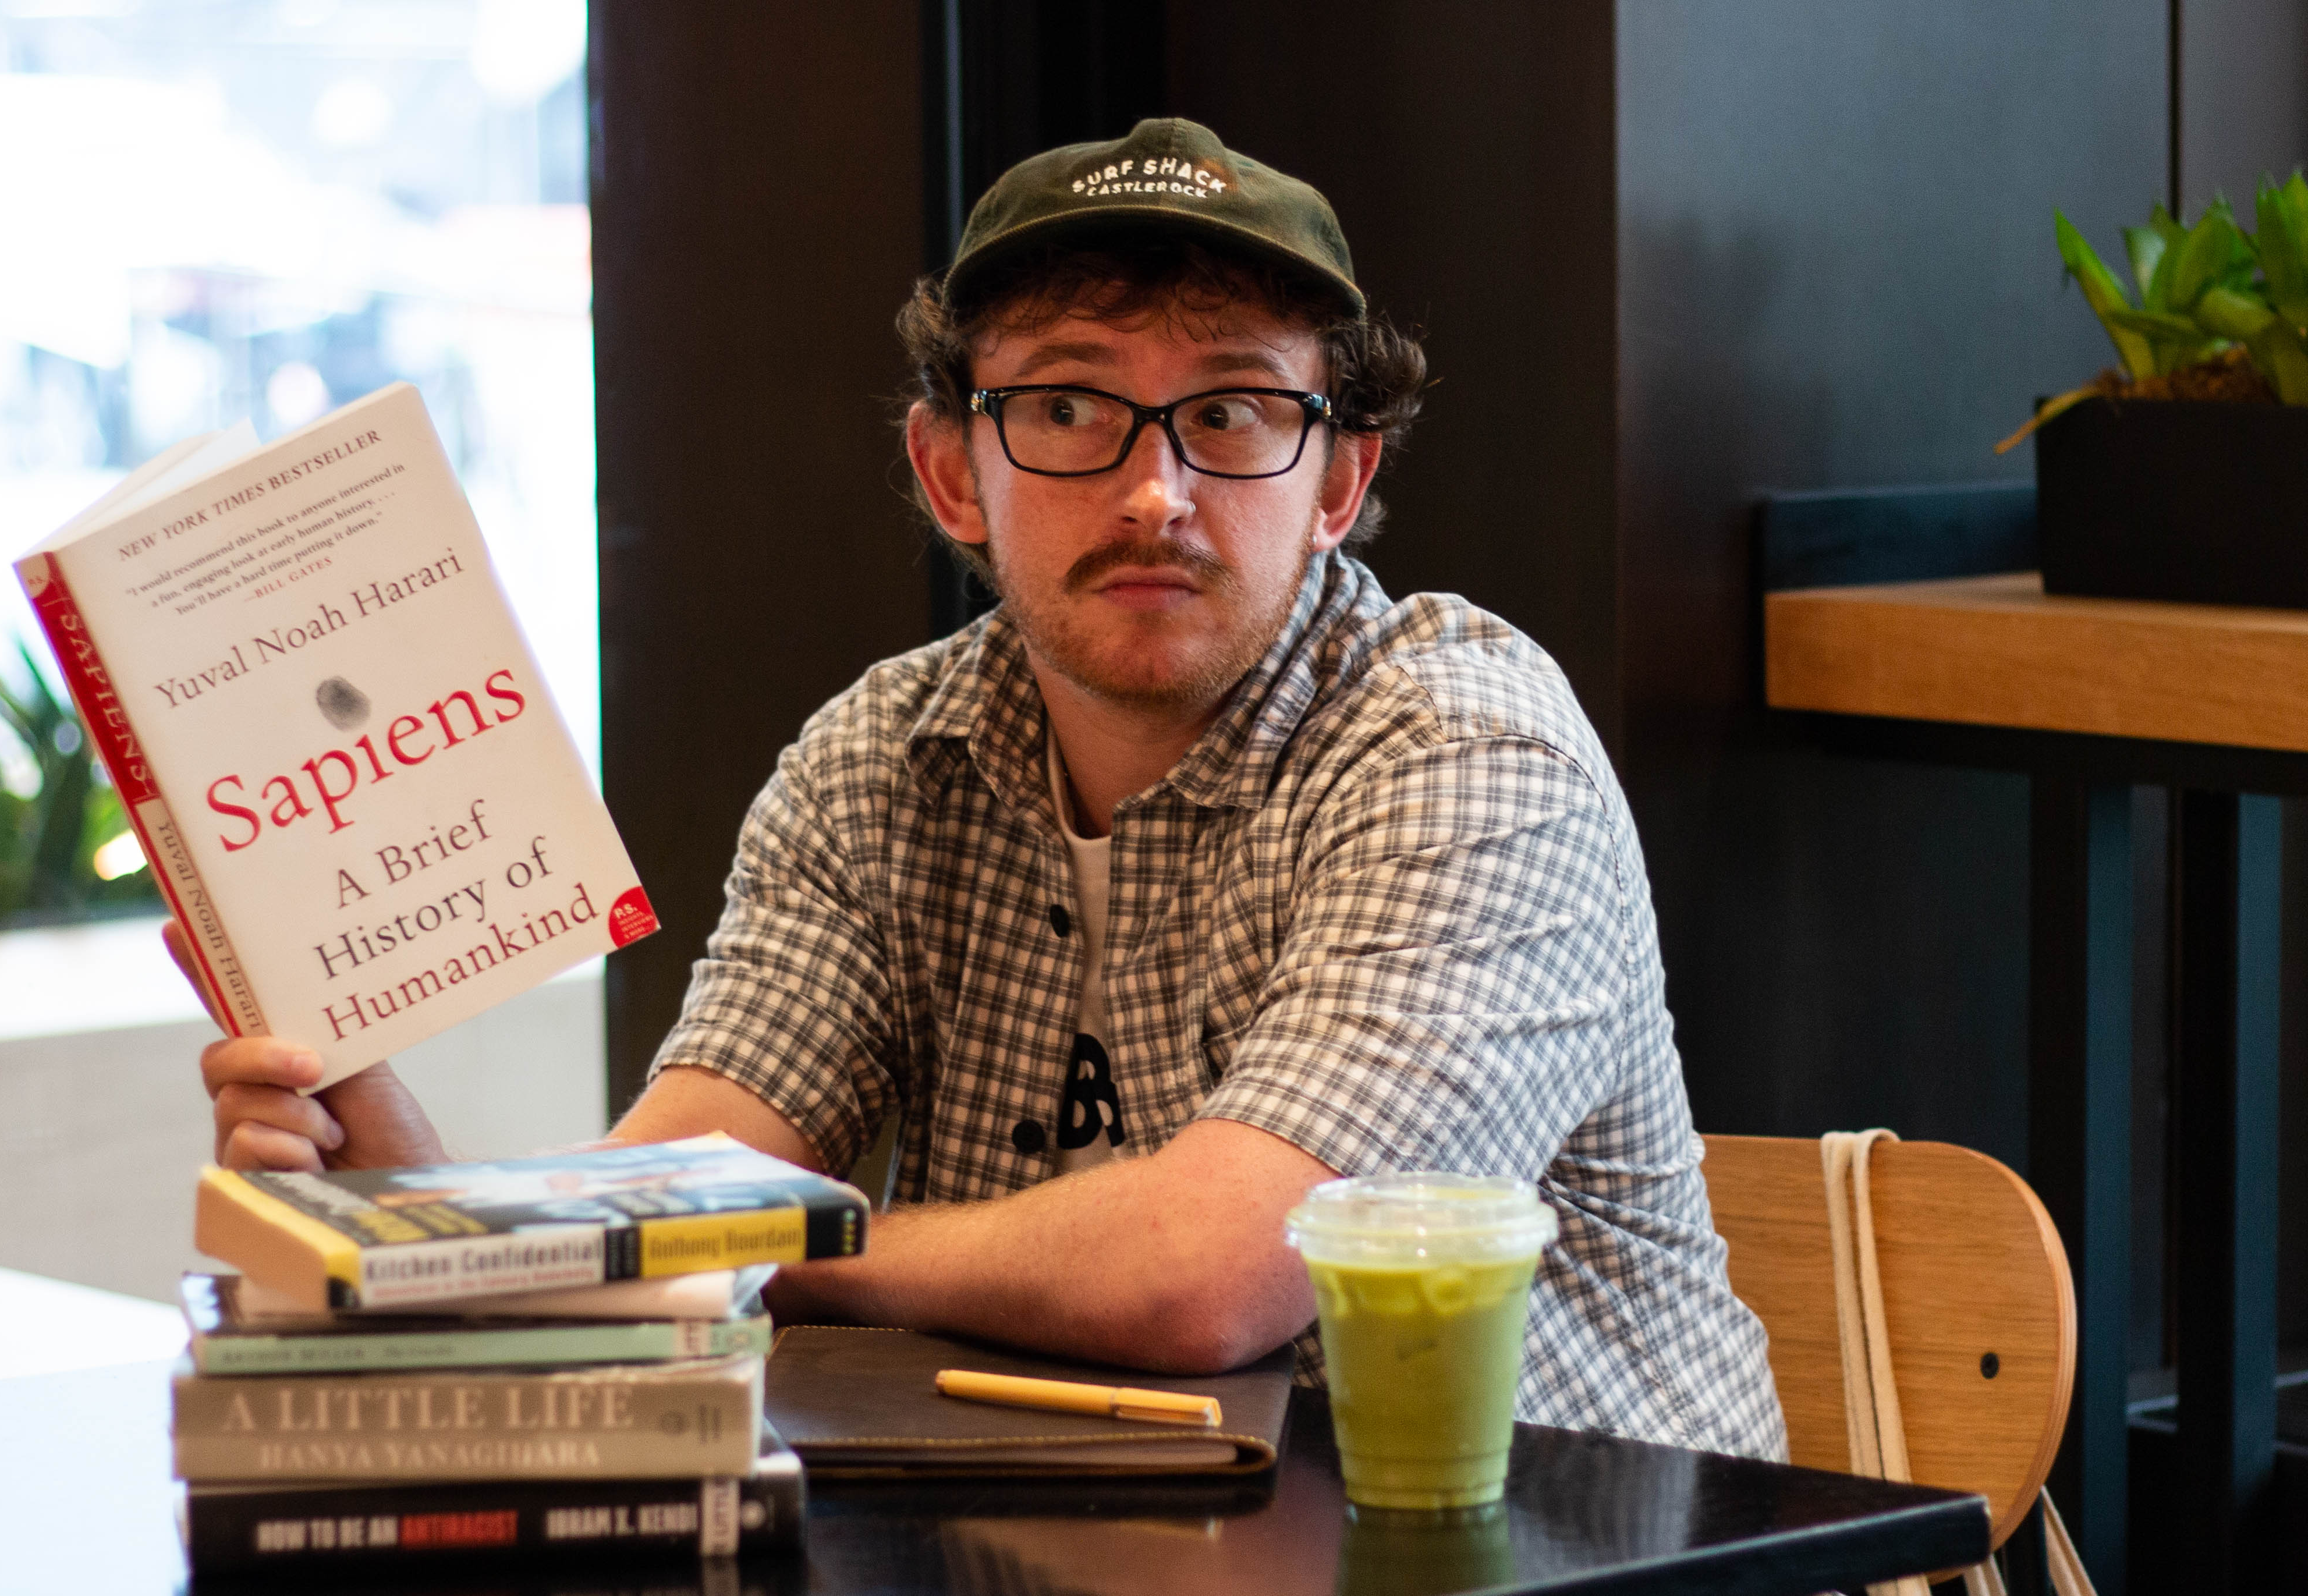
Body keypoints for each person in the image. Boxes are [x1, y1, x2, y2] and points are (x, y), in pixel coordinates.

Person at [188, 119, 1785, 1460]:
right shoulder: (880, 760)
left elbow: (1219, 1272)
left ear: (1337, 486)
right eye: (1072, 407)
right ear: (957, 471)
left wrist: (768, 1255)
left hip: (1589, 1554)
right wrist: (409, 1193)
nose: (1155, 489)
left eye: (1230, 413)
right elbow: (689, 1178)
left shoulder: (1461, 747)